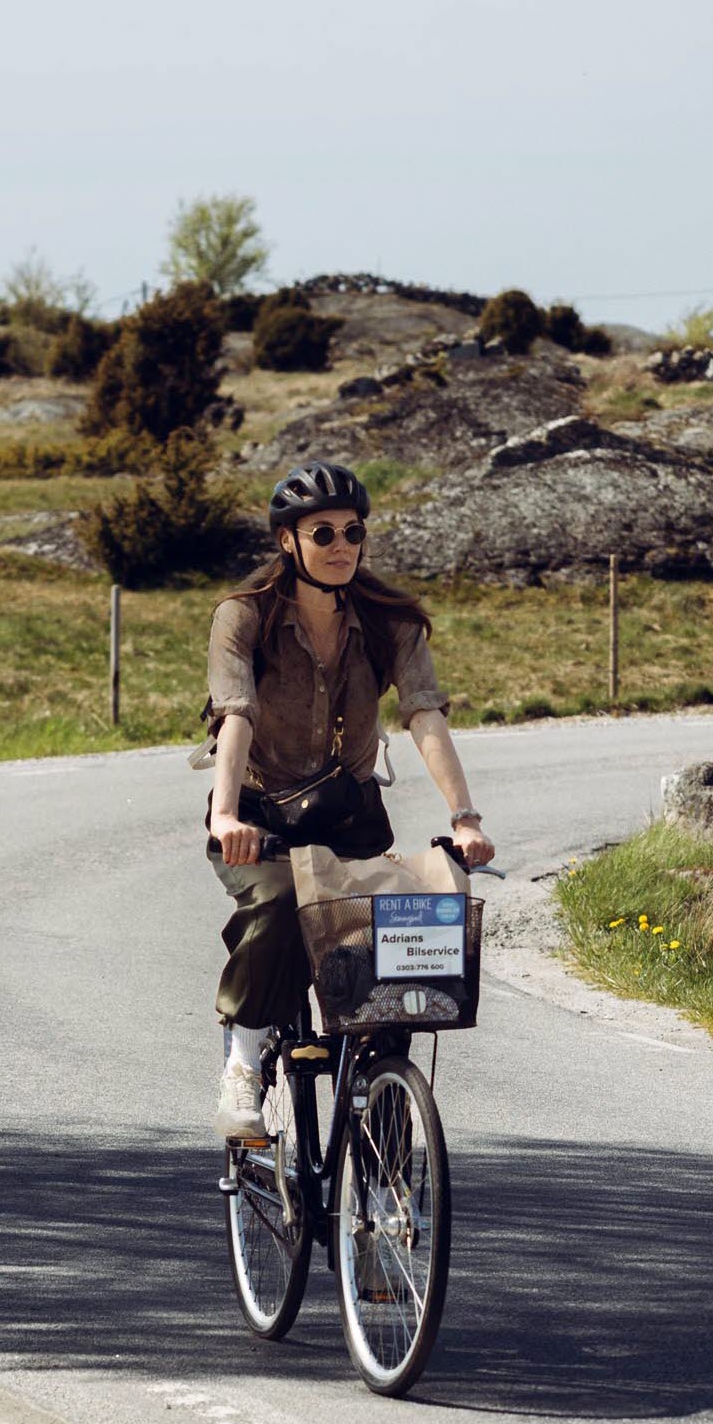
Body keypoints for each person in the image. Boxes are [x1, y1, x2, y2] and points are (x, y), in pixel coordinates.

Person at [205, 460, 495, 1138]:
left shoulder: (390, 619)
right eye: (323, 532)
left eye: (352, 531)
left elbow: (424, 714)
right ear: (288, 542)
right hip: (260, 820)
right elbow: (235, 714)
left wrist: (465, 818)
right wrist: (225, 816)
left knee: (394, 942)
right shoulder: (242, 617)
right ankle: (245, 1060)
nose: (341, 545)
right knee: (277, 902)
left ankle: (383, 1136)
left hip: (352, 820)